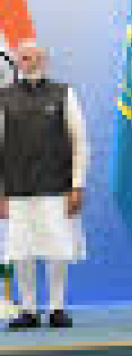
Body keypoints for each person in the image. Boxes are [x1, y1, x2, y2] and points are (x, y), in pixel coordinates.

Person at [0, 40, 90, 329]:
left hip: (56, 187)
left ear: (45, 61)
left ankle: (56, 308)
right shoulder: (4, 97)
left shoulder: (64, 93)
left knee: (58, 250)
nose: (30, 62)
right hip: (17, 189)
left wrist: (77, 185)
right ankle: (28, 310)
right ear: (18, 62)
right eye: (25, 58)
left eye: (35, 57)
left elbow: (79, 141)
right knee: (21, 252)